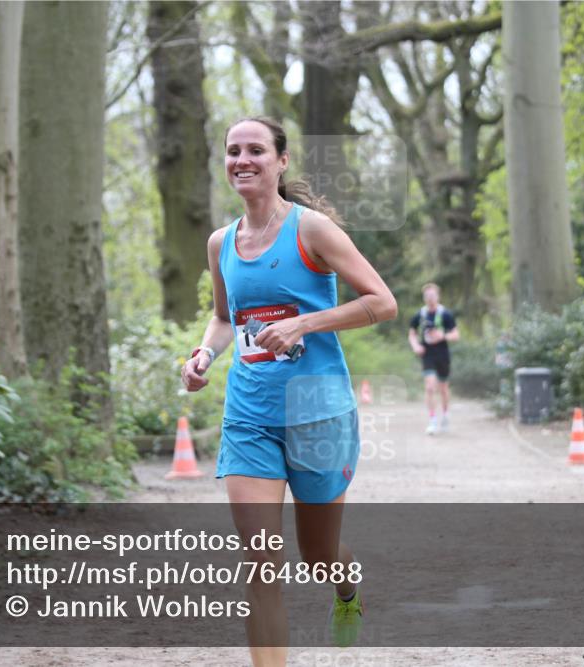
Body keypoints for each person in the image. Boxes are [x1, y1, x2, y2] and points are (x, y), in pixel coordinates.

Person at [181, 116, 397, 665]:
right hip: (250, 413)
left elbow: (382, 302)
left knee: (319, 557)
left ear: (281, 161)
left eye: (256, 150)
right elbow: (225, 318)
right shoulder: (220, 243)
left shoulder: (312, 231)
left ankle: (347, 593)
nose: (242, 160)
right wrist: (204, 354)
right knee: (260, 563)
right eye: (233, 151)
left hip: (317, 410)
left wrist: (305, 323)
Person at [407, 283, 459, 434]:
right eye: (427, 296)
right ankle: (432, 420)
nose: (430, 298)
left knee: (443, 388)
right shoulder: (420, 315)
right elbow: (411, 334)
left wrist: (443, 335)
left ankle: (445, 414)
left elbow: (456, 335)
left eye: (432, 295)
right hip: (427, 355)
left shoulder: (445, 314)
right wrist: (415, 346)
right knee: (430, 387)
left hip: (443, 354)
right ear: (424, 298)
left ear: (438, 296)